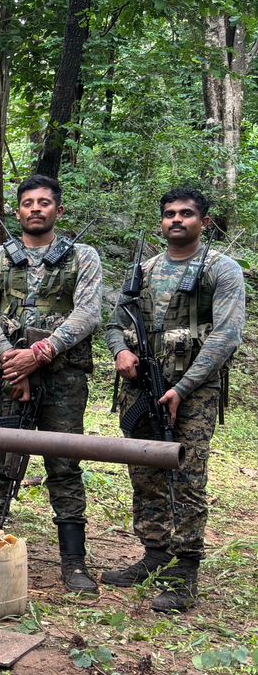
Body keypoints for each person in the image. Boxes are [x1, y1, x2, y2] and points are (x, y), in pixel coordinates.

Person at [101, 188, 244, 612]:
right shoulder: (142, 271)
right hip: (141, 387)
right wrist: (120, 352)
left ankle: (186, 570)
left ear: (204, 221)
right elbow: (115, 322)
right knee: (143, 471)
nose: (176, 220)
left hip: (194, 392)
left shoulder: (221, 270)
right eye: (169, 214)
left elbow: (226, 336)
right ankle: (154, 553)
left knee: (186, 477)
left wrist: (182, 389)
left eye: (186, 214)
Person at [0, 174, 103, 593]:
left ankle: (74, 562)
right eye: (28, 202)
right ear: (18, 210)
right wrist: (13, 358)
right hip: (6, 375)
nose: (36, 209)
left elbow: (88, 314)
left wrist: (41, 353)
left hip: (63, 378)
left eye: (45, 202)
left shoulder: (83, 257)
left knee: (64, 464)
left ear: (58, 211)